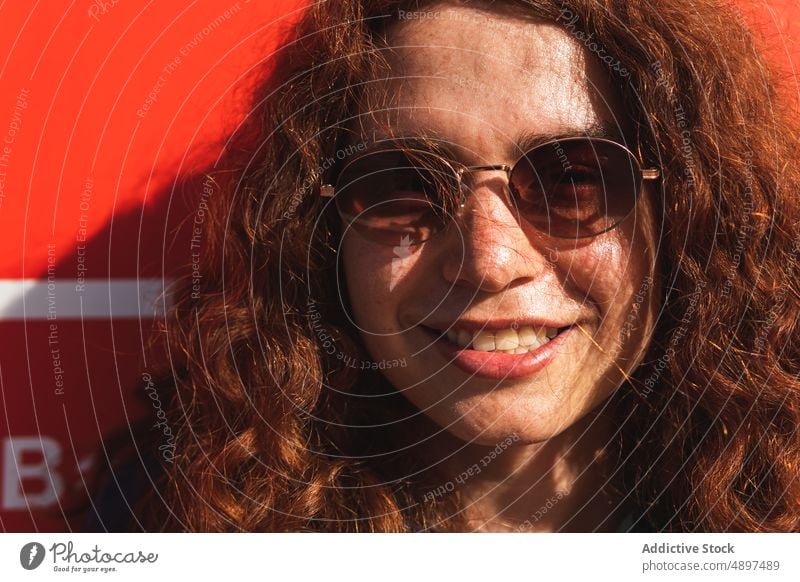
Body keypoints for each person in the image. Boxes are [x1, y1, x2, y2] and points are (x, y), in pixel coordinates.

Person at [132, 0, 799, 532]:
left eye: (572, 179)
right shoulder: (179, 516)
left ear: (687, 209)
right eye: (404, 184)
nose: (489, 262)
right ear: (319, 231)